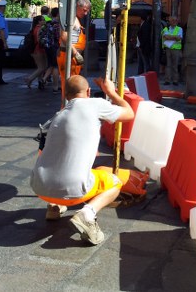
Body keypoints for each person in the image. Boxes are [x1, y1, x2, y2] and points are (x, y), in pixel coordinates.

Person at [30, 75, 134, 245]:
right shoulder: (95, 104)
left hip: (39, 186)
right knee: (115, 183)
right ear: (89, 91)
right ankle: (88, 214)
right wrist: (111, 92)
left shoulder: (59, 115)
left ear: (66, 95)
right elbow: (129, 113)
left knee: (68, 164)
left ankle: (54, 207)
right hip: (72, 190)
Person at [58, 0, 91, 102]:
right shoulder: (70, 19)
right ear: (77, 6)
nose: (85, 13)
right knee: (69, 84)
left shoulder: (75, 19)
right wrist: (76, 53)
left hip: (71, 56)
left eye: (87, 11)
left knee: (71, 84)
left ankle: (69, 105)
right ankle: (66, 106)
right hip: (68, 55)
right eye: (84, 10)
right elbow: (64, 36)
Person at [41, 7, 61, 93]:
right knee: (56, 66)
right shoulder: (57, 24)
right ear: (58, 14)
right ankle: (55, 87)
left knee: (51, 65)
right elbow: (58, 37)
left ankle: (44, 79)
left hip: (47, 46)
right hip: (54, 47)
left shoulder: (48, 22)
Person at [24, 15, 47, 89]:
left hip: (36, 49)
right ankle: (29, 79)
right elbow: (38, 40)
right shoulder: (39, 29)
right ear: (39, 21)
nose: (44, 21)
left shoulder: (35, 28)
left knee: (40, 67)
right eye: (43, 20)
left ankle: (39, 82)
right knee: (42, 67)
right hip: (39, 49)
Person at [161, 16, 183, 85]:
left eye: (175, 20)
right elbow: (166, 37)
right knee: (168, 65)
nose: (174, 22)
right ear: (169, 22)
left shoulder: (179, 29)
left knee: (175, 65)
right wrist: (175, 37)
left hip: (176, 49)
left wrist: (170, 37)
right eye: (172, 20)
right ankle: (167, 80)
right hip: (168, 49)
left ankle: (175, 80)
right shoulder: (166, 28)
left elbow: (179, 38)